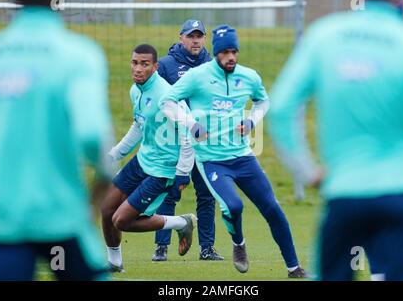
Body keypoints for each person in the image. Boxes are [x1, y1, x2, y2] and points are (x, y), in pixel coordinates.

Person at [268, 0, 403, 281]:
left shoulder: (324, 36)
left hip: (343, 193)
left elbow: (280, 108)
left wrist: (307, 171)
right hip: (400, 192)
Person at [0, 0, 114, 281]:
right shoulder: (79, 55)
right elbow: (92, 133)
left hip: (7, 217)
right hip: (61, 215)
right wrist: (105, 176)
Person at [159, 25, 307, 278]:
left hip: (243, 157)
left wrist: (251, 122)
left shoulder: (249, 76)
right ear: (216, 52)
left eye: (234, 51)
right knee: (234, 205)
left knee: (272, 208)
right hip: (212, 161)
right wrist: (190, 124)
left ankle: (294, 267)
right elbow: (167, 101)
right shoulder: (197, 76)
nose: (230, 57)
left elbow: (263, 100)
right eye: (225, 52)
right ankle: (238, 243)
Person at [101, 44, 196, 272]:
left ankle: (181, 222)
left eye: (144, 64)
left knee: (121, 220)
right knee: (106, 209)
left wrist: (183, 171)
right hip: (142, 161)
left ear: (155, 67)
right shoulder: (136, 90)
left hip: (162, 170)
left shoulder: (166, 97)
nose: (138, 68)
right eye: (135, 63)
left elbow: (189, 133)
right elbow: (139, 125)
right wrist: (115, 154)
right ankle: (114, 263)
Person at [153, 19, 223, 262]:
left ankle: (207, 248)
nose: (195, 40)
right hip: (174, 140)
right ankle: (161, 247)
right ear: (180, 37)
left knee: (207, 195)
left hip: (205, 143)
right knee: (169, 192)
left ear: (205, 38)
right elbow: (158, 100)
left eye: (199, 36)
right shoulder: (165, 65)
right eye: (190, 36)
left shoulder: (213, 65)